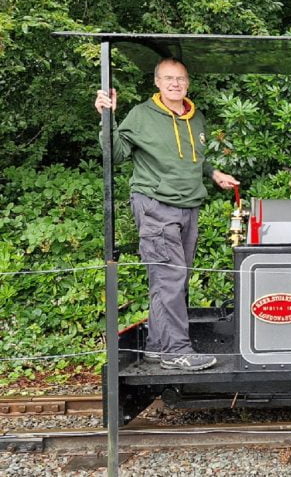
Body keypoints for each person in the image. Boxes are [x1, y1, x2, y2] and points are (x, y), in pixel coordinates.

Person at [95, 57, 239, 371]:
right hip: (155, 205)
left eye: (181, 79)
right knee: (169, 277)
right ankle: (177, 351)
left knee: (172, 280)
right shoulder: (141, 115)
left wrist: (214, 174)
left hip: (189, 205)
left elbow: (195, 159)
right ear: (157, 82)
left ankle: (158, 347)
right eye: (169, 78)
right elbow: (117, 154)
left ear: (187, 82)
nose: (175, 84)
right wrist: (107, 116)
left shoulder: (195, 116)